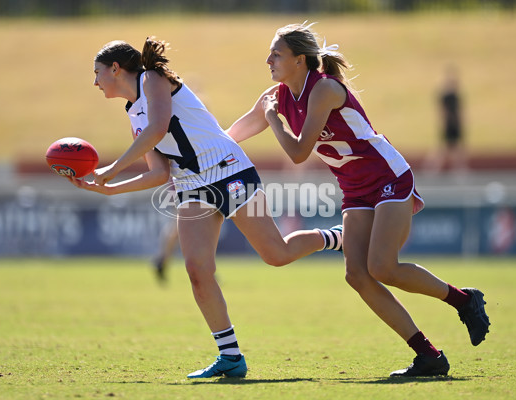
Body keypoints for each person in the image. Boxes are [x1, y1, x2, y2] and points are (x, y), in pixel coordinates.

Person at [68, 37, 343, 379]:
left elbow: (157, 129)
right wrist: (109, 189)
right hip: (190, 188)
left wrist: (110, 170)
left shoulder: (151, 79)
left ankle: (338, 236)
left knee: (276, 254)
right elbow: (158, 173)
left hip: (229, 172)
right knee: (198, 272)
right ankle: (230, 356)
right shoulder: (132, 110)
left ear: (115, 68)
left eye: (97, 73)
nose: (95, 82)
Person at [226, 22, 490, 377]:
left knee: (383, 267)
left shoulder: (323, 90)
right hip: (355, 188)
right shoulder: (276, 97)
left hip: (388, 177)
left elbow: (299, 152)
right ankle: (429, 356)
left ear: (300, 60)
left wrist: (273, 119)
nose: (268, 59)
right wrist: (201, 155)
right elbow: (232, 135)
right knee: (357, 275)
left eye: (277, 53)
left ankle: (463, 299)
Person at [424, 65, 468, 174]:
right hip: (449, 124)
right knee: (444, 148)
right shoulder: (446, 96)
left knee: (455, 148)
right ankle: (432, 168)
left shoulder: (455, 96)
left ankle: (459, 168)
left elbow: (459, 110)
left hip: (454, 124)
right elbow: (443, 111)